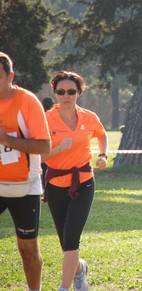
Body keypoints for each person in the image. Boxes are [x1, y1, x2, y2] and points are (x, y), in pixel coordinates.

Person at [42, 71, 108, 291]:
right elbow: (40, 156)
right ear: (55, 93)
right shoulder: (46, 119)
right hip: (55, 185)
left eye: (71, 91)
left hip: (84, 182)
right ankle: (80, 270)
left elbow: (102, 134)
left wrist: (102, 155)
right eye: (61, 91)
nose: (66, 95)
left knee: (71, 239)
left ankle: (64, 287)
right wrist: (58, 148)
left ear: (79, 92)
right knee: (65, 242)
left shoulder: (89, 117)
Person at [0, 52, 51, 291]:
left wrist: (7, 139)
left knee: (27, 249)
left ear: (10, 76)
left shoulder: (27, 102)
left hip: (25, 185)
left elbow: (44, 147)